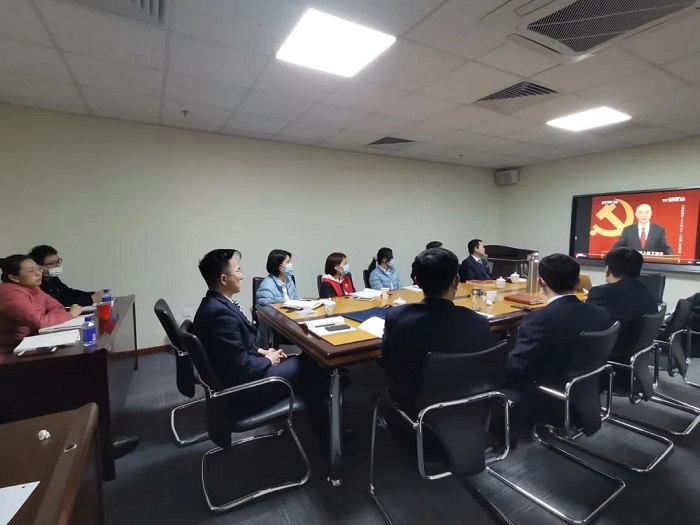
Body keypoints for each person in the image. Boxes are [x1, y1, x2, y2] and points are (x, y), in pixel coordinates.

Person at [192, 249, 326, 423]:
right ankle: (326, 418)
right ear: (224, 279)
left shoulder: (215, 304)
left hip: (243, 376)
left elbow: (234, 349)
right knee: (306, 364)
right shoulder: (219, 315)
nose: (241, 275)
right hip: (245, 390)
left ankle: (324, 395)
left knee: (307, 364)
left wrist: (262, 352)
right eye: (238, 271)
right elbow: (239, 366)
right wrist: (268, 360)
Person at [381, 247, 491, 416]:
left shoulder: (397, 317)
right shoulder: (479, 323)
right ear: (456, 281)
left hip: (414, 409)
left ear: (417, 282)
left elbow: (388, 361)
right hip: (468, 406)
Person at [506, 254, 612, 421]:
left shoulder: (539, 320)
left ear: (541, 282)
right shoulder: (601, 314)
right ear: (578, 282)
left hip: (551, 397)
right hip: (587, 391)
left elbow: (519, 366)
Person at [587, 247, 658, 360]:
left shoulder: (602, 292)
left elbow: (587, 324)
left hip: (609, 355)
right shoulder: (646, 291)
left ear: (608, 270)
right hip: (634, 356)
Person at [0, 254, 80, 350]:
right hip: (12, 349)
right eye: (31, 271)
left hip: (32, 339)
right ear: (14, 278)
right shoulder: (10, 294)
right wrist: (70, 314)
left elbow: (57, 306)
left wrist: (47, 318)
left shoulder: (32, 286)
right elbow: (40, 323)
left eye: (38, 268)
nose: (38, 273)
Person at [28, 245, 102, 307]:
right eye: (52, 263)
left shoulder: (53, 279)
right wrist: (90, 299)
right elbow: (59, 303)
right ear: (38, 266)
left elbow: (68, 292)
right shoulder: (35, 284)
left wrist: (92, 294)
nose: (57, 265)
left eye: (58, 261)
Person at [255, 249, 300, 347]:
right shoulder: (266, 286)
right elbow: (268, 315)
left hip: (293, 321)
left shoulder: (288, 280)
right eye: (288, 262)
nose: (290, 265)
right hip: (278, 328)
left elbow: (296, 301)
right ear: (279, 266)